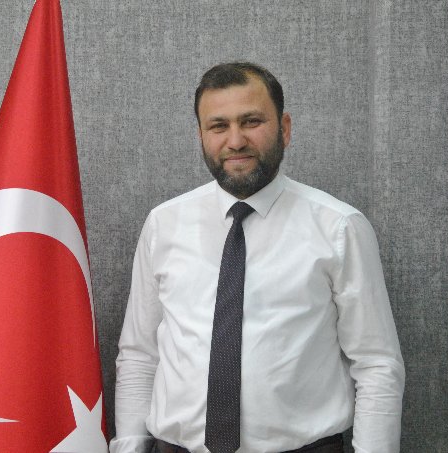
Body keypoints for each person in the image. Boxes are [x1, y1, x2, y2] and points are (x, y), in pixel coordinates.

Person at [110, 62, 404, 453]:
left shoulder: (338, 227)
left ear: (284, 128)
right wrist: (130, 446)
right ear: (201, 135)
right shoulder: (164, 224)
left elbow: (377, 364)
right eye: (218, 126)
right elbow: (139, 355)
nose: (235, 141)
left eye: (251, 122)